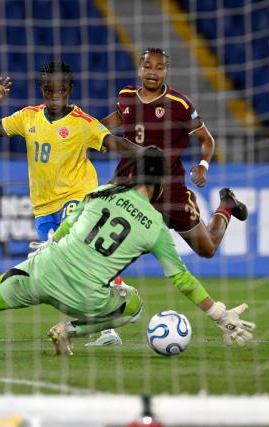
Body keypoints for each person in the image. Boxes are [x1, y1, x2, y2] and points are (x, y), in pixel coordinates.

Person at [0, 147, 256, 355]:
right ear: (160, 184)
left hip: (42, 270)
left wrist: (51, 244)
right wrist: (218, 313)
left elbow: (66, 225)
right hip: (83, 298)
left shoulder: (101, 192)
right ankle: (70, 330)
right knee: (134, 305)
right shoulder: (156, 227)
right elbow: (182, 279)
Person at [89, 48, 248, 348]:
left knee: (207, 249)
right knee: (106, 252)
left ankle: (225, 206)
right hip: (129, 184)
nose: (152, 71)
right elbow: (115, 119)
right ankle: (105, 326)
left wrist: (202, 165)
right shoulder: (125, 96)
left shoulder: (179, 103)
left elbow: (207, 140)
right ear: (139, 69)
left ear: (166, 72)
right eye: (148, 65)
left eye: (159, 67)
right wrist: (92, 130)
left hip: (171, 188)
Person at [0, 60, 142, 346]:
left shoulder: (82, 122)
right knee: (64, 267)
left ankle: (111, 320)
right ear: (42, 88)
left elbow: (113, 143)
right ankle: (113, 304)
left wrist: (147, 153)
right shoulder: (27, 117)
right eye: (47, 88)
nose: (53, 93)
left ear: (69, 89)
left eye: (59, 88)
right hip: (43, 207)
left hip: (77, 197)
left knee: (79, 253)